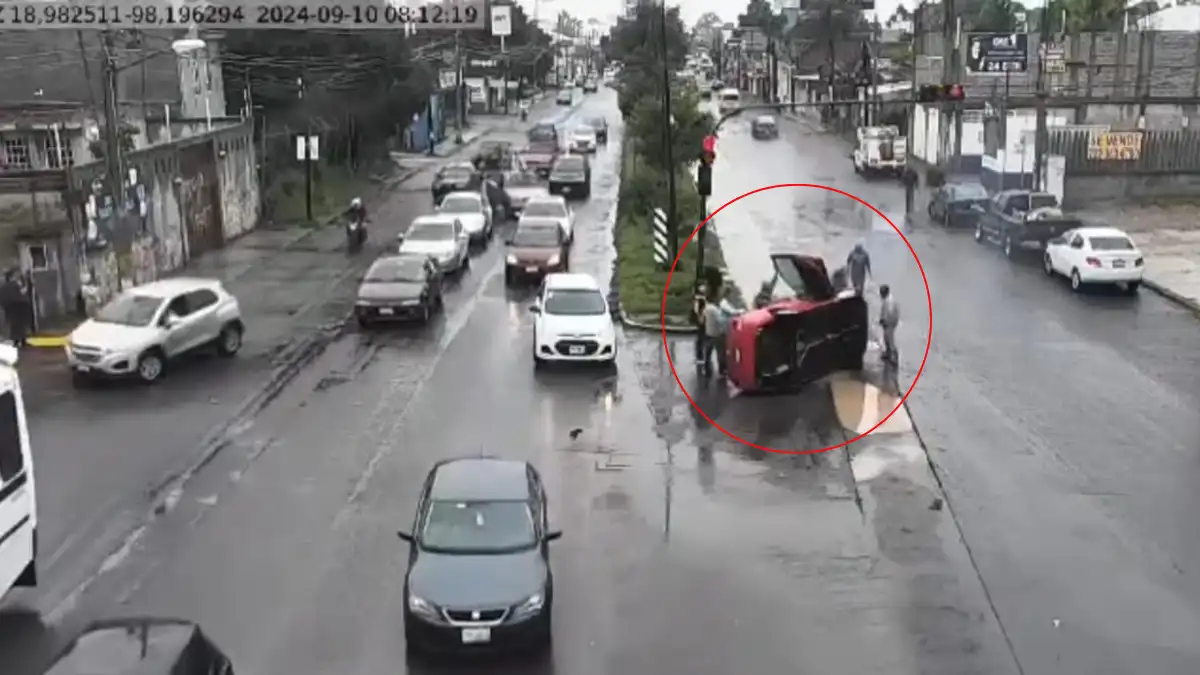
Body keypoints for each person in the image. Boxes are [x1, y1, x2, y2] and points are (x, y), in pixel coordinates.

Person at [701, 288, 735, 377]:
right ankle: (722, 370)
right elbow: (720, 320)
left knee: (708, 353)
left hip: (708, 333)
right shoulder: (715, 310)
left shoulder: (706, 308)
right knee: (721, 353)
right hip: (717, 334)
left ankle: (707, 370)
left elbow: (702, 320)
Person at [0, 271, 29, 348]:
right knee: (20, 323)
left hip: (10, 307)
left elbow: (2, 298)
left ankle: (16, 340)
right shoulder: (15, 285)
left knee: (14, 324)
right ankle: (22, 340)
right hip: (18, 305)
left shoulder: (4, 286)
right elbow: (21, 294)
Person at [879, 284, 900, 365]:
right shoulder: (887, 299)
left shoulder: (889, 301)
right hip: (889, 322)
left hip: (889, 323)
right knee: (886, 338)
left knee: (890, 339)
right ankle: (888, 354)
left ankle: (894, 358)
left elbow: (889, 313)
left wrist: (885, 321)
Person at [691, 283, 708, 367]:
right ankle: (699, 357)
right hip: (701, 319)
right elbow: (696, 309)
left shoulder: (702, 299)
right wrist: (699, 316)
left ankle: (701, 356)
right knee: (701, 338)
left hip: (703, 319)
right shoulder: (699, 299)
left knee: (702, 337)